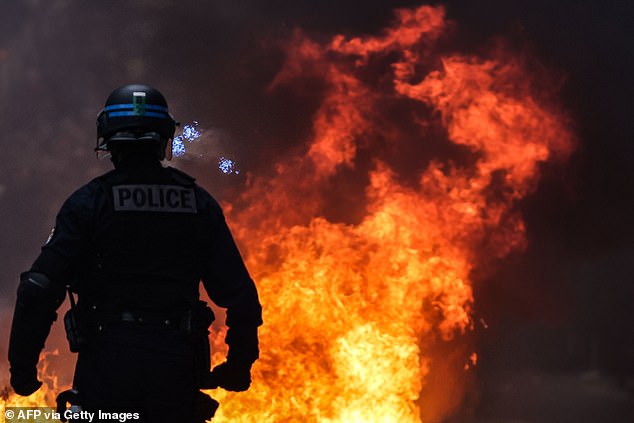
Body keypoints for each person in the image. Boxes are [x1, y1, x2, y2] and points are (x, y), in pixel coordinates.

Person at [8, 84, 262, 422]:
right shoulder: (198, 204)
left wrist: (23, 373)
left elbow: (38, 290)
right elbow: (242, 298)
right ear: (164, 138)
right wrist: (238, 367)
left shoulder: (89, 203)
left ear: (107, 138)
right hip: (175, 373)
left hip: (107, 371)